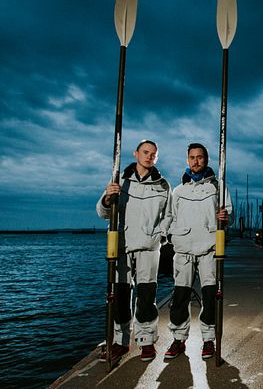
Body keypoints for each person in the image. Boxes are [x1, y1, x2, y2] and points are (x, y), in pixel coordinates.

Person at [96, 139, 172, 362]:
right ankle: (120, 342)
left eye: (153, 154)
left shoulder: (162, 184)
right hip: (123, 244)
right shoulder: (119, 181)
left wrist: (161, 234)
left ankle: (147, 342)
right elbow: (102, 212)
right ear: (136, 153)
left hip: (149, 246)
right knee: (120, 295)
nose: (149, 156)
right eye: (145, 152)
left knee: (147, 295)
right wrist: (108, 198)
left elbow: (169, 215)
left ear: (156, 158)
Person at [165, 143, 232, 360]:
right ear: (187, 160)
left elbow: (227, 214)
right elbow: (170, 217)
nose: (196, 161)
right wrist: (171, 237)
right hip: (183, 248)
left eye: (200, 157)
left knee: (210, 296)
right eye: (192, 157)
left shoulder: (218, 187)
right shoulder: (178, 190)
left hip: (209, 247)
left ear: (207, 159)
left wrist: (224, 218)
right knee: (180, 296)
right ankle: (178, 339)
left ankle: (209, 340)